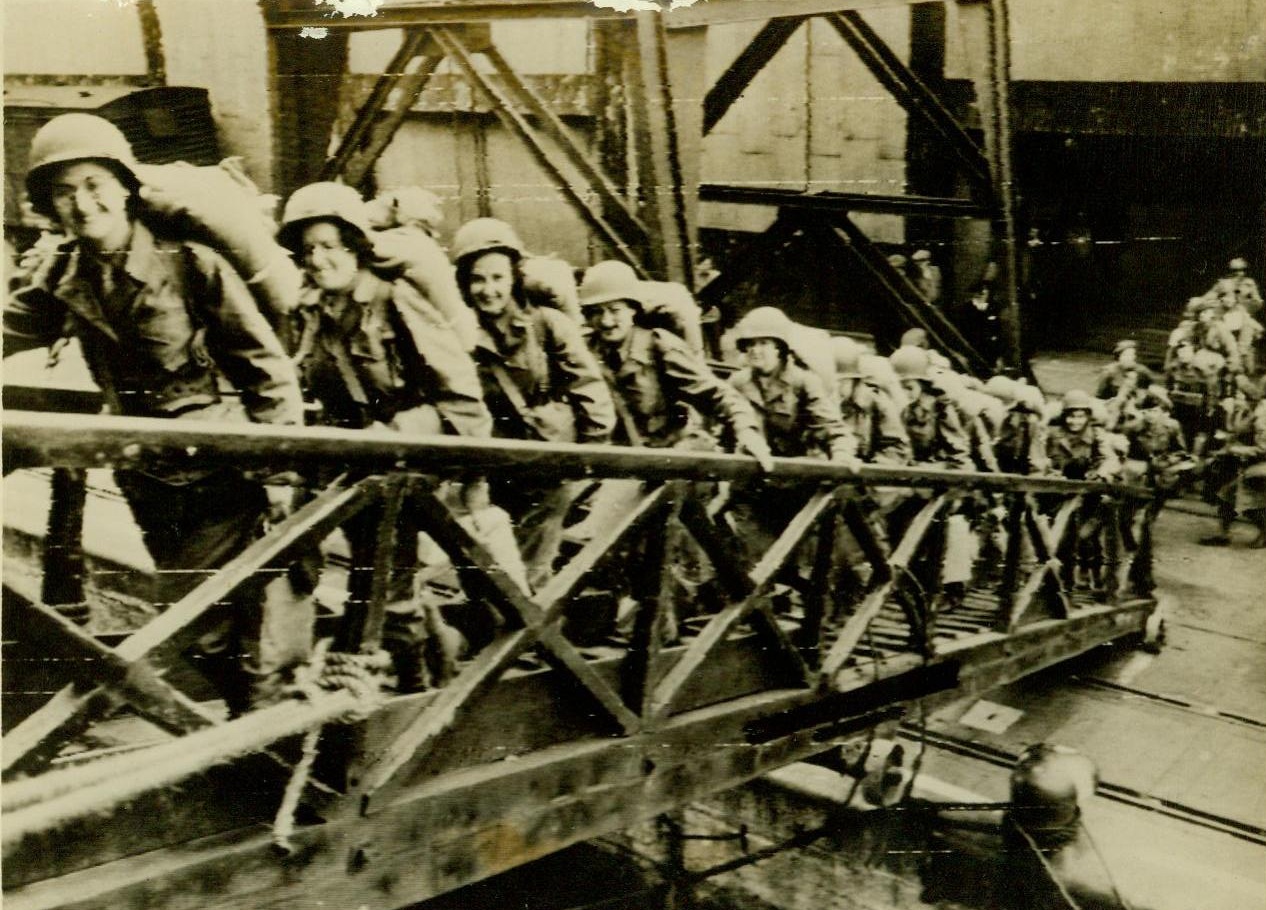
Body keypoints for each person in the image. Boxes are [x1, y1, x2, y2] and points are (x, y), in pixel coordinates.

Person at [5, 113, 308, 712]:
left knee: (251, 634)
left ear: (124, 187)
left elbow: (265, 369)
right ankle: (251, 745)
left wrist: (280, 472)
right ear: (50, 207)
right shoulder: (64, 278)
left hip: (224, 474)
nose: (83, 203)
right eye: (63, 192)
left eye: (94, 184)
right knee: (205, 636)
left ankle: (269, 759)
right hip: (148, 481)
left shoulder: (190, 263)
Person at [276, 182, 518, 687]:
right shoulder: (315, 314)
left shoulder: (396, 300)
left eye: (329, 245)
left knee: (390, 594)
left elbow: (465, 404)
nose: (318, 260)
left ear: (356, 246)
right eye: (308, 250)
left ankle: (428, 687)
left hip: (418, 473)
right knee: (377, 596)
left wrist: (393, 434)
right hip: (365, 480)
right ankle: (420, 682)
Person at [450, 216, 616, 586]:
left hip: (547, 465)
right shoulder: (459, 334)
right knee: (488, 569)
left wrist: (587, 462)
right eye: (478, 278)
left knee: (529, 570)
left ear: (514, 278)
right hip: (490, 468)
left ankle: (526, 638)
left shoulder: (547, 324)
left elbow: (589, 389)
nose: (488, 289)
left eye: (497, 277)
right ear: (464, 282)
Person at [579, 260, 770, 462]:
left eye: (614, 310)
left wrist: (747, 432)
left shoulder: (658, 345)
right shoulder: (583, 350)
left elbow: (717, 394)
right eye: (596, 312)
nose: (606, 321)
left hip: (668, 458)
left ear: (632, 309)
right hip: (614, 461)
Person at [1200, 374, 1266, 548]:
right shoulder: (1256, 413)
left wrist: (1237, 450)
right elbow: (1238, 430)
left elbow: (1263, 448)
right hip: (1253, 464)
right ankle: (1223, 534)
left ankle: (1265, 532)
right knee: (1228, 496)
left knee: (1249, 503)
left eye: (1242, 396)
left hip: (1260, 466)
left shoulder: (1263, 417)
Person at [832, 337, 911, 466]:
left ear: (854, 380)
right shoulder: (820, 402)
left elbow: (896, 448)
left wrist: (870, 468)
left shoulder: (876, 402)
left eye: (840, 383)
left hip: (863, 476)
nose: (834, 390)